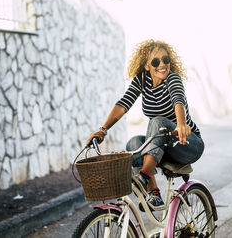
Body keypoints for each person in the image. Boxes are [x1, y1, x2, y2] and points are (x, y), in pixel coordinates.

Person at [86, 39, 204, 211]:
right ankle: (154, 194)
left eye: (166, 59)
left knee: (157, 121)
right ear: (147, 66)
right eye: (156, 61)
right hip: (164, 147)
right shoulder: (142, 80)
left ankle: (144, 176)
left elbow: (178, 99)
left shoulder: (173, 78)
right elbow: (123, 104)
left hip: (187, 143)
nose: (162, 64)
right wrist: (102, 130)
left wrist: (181, 124)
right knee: (133, 144)